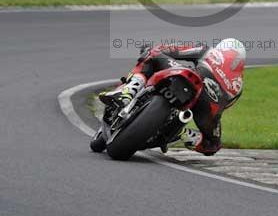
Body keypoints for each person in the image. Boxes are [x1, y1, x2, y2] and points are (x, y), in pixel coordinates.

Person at [100, 38, 246, 156]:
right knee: (212, 145)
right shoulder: (239, 85)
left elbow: (171, 49)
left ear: (221, 48)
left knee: (153, 55)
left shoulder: (209, 51)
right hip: (207, 107)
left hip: (192, 79)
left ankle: (129, 91)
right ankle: (184, 134)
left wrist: (151, 50)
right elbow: (225, 106)